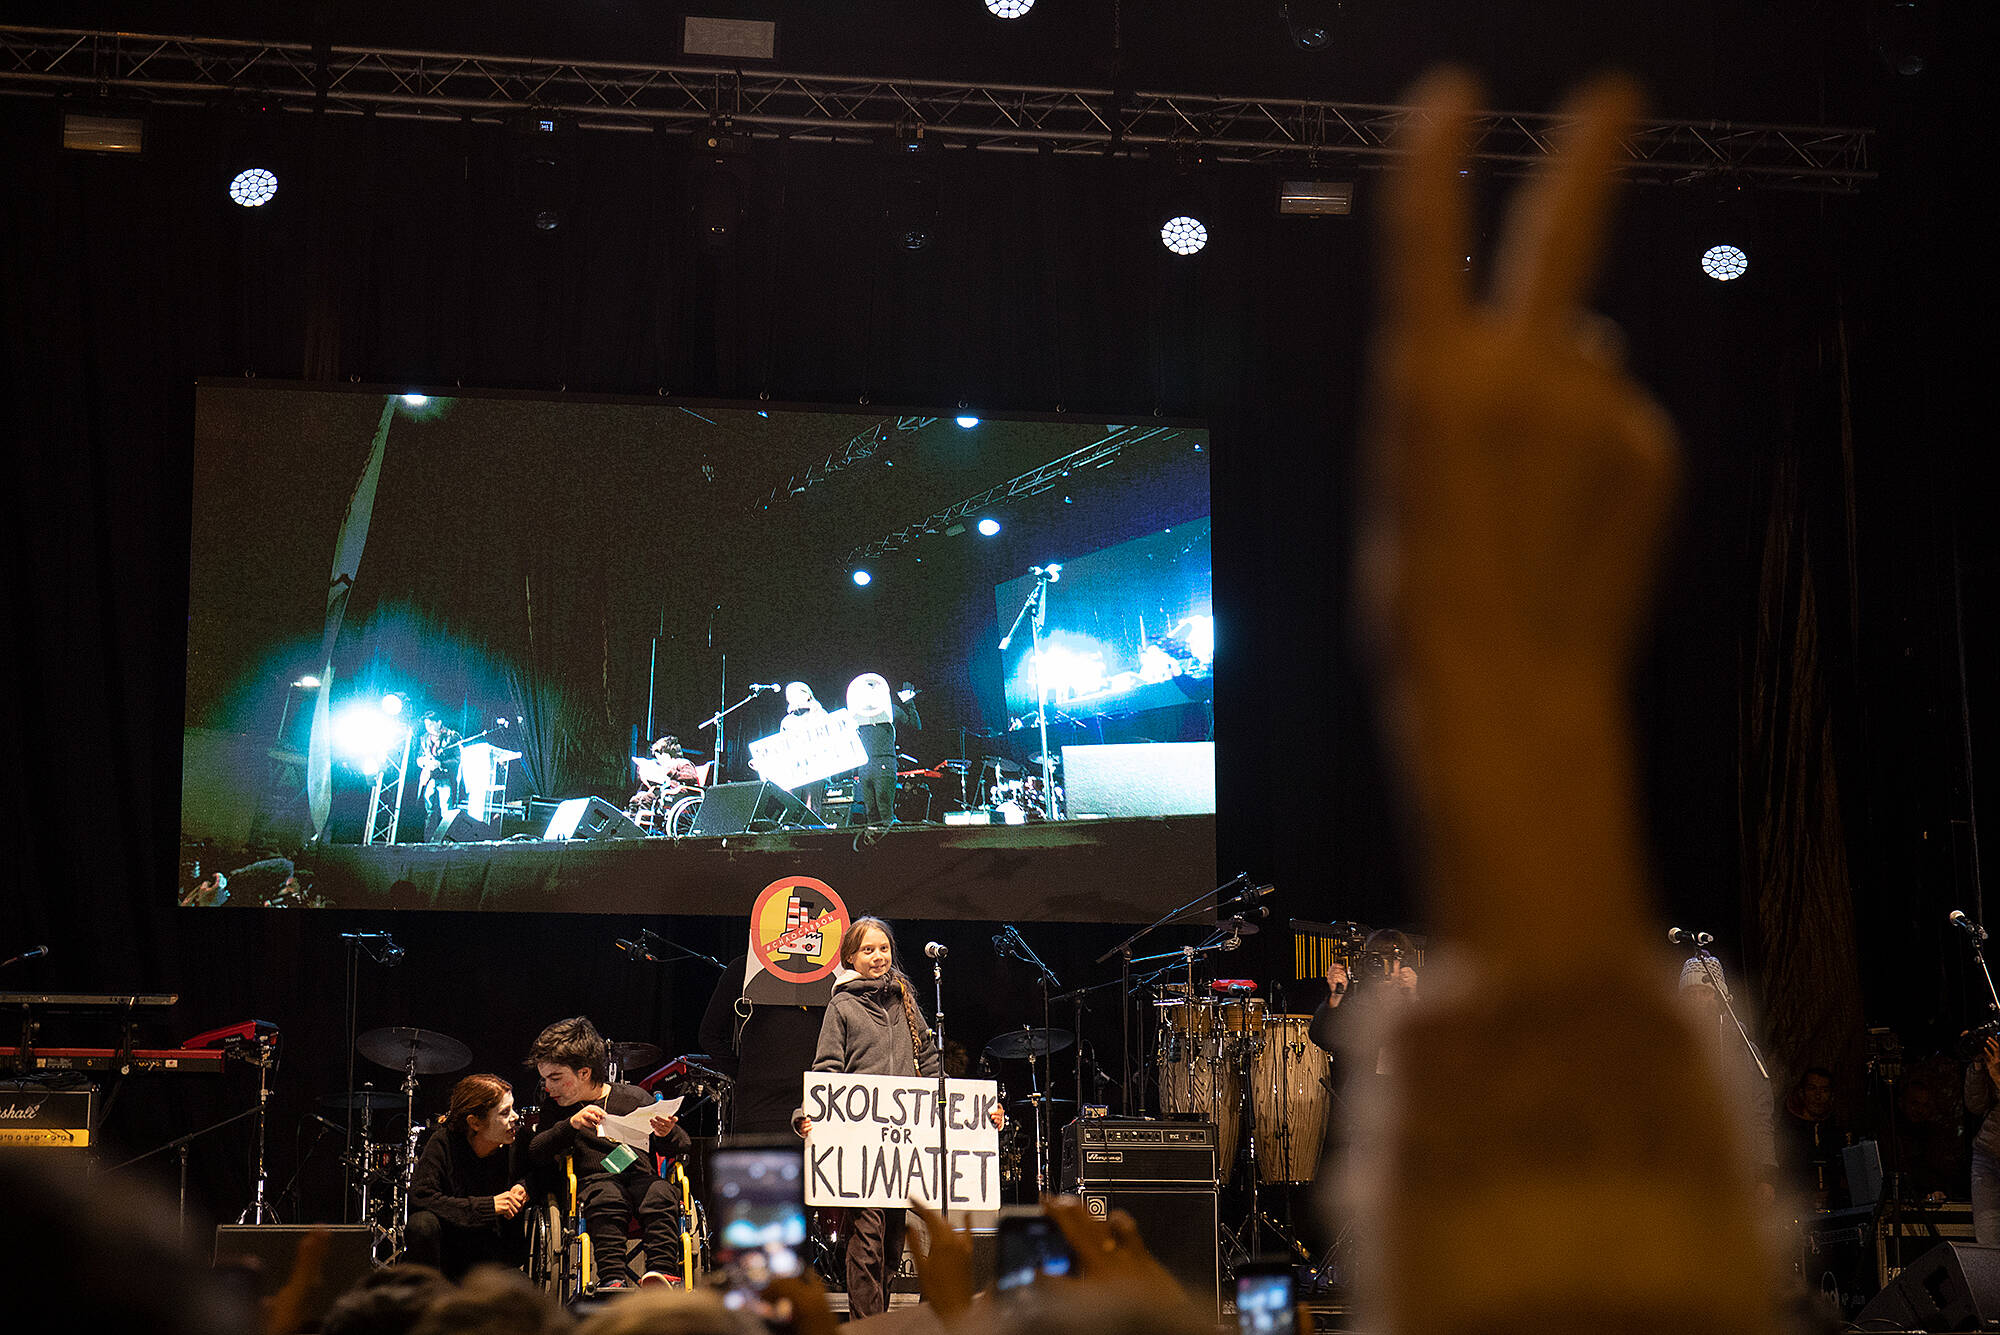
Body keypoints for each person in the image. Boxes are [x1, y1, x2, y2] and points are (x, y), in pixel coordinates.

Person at [791, 917, 1001, 1319]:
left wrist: (977, 1112)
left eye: (883, 948)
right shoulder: (842, 1006)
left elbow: (932, 1065)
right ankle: (867, 1325)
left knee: (890, 1245)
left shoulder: (906, 1002)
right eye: (867, 950)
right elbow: (827, 1070)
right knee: (867, 1239)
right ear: (850, 958)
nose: (878, 956)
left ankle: (885, 1321)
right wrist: (807, 1113)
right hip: (860, 1145)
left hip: (901, 1146)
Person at [526, 1016, 691, 1290]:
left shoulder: (633, 1097)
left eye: (555, 1078)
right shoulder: (557, 1109)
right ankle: (612, 1278)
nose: (547, 1087)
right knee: (607, 1197)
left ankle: (661, 1273)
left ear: (584, 1073)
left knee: (661, 1193)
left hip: (640, 1177)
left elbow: (682, 1144)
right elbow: (535, 1150)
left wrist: (666, 1133)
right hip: (596, 1182)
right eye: (544, 1079)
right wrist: (570, 1125)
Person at [406, 1073, 530, 1280]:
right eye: (505, 1112)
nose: (515, 1117)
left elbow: (544, 1173)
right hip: (449, 1254)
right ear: (475, 1123)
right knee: (421, 1223)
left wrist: (524, 1186)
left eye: (513, 1108)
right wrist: (488, 1206)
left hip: (495, 1259)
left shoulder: (518, 1142)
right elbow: (421, 1197)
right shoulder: (443, 1143)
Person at [696, 953, 827, 1136]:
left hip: (813, 1101)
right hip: (760, 1106)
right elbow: (709, 1035)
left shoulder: (829, 972)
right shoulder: (743, 968)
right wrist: (742, 1072)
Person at [844, 675, 918, 826]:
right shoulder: (856, 714)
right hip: (865, 765)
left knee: (884, 810)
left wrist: (909, 703)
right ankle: (874, 839)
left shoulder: (891, 710)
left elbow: (915, 726)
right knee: (870, 812)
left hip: (884, 762)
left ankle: (889, 839)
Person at [1777, 1066, 1849, 1211]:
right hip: (1795, 1209)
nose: (1818, 1096)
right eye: (1812, 1089)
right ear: (1802, 1093)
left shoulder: (1837, 1132)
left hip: (1834, 1209)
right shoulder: (1786, 1132)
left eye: (1824, 1090)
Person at [779, 683, 829, 816]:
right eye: (789, 696)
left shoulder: (820, 715)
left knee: (811, 808)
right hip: (794, 770)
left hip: (815, 768)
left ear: (807, 695)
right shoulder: (787, 721)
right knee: (790, 806)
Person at [416, 713, 461, 840]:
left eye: (431, 724)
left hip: (445, 778)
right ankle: (427, 841)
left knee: (446, 811)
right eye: (426, 725)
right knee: (429, 811)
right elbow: (419, 757)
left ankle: (447, 841)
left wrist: (440, 764)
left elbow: (457, 760)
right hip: (430, 777)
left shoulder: (452, 736)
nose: (428, 728)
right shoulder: (424, 738)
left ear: (439, 722)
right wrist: (423, 761)